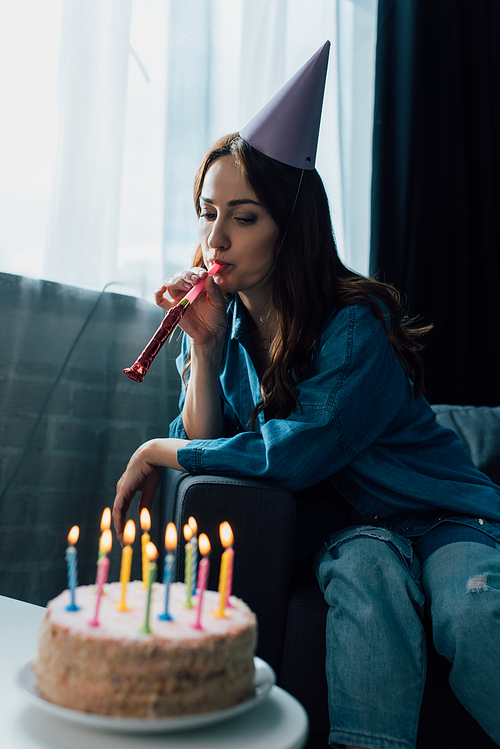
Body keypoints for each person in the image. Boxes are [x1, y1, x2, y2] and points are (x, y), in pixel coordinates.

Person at [113, 45, 500, 749]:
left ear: (291, 227)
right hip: (355, 528)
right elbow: (217, 450)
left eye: (244, 217)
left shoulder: (357, 326)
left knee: (473, 612)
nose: (216, 239)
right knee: (365, 584)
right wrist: (202, 347)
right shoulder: (225, 325)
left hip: (445, 519)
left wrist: (155, 449)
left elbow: (286, 456)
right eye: (207, 214)